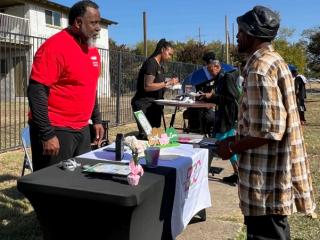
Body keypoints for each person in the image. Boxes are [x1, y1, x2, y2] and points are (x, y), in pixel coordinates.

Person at [216, 6, 316, 239]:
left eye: (239, 32)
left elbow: (269, 130)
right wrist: (235, 138)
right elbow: (264, 122)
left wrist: (231, 147)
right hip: (270, 175)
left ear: (250, 34)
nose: (237, 37)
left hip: (266, 179)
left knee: (267, 233)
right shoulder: (273, 61)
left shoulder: (260, 69)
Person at [27, 0, 104, 171]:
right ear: (78, 23)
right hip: (56, 129)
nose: (98, 27)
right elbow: (36, 90)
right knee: (52, 187)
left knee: (79, 181)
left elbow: (90, 87)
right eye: (94, 23)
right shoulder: (56, 47)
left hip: (82, 128)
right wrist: (47, 134)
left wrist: (97, 119)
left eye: (99, 22)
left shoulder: (92, 50)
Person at [198, 53, 240, 183]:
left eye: (211, 70)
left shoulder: (226, 77)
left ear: (217, 67)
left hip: (227, 117)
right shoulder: (219, 78)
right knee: (218, 142)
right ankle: (237, 173)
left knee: (226, 144)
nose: (210, 73)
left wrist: (212, 97)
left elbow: (232, 99)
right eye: (209, 71)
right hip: (222, 115)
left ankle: (239, 173)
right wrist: (208, 96)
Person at [131, 39, 179, 139]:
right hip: (143, 106)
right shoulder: (151, 63)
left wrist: (170, 84)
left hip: (154, 106)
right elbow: (148, 86)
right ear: (162, 49)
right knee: (147, 136)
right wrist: (167, 82)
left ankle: (153, 153)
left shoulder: (159, 66)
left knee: (155, 137)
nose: (170, 57)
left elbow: (158, 83)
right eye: (169, 54)